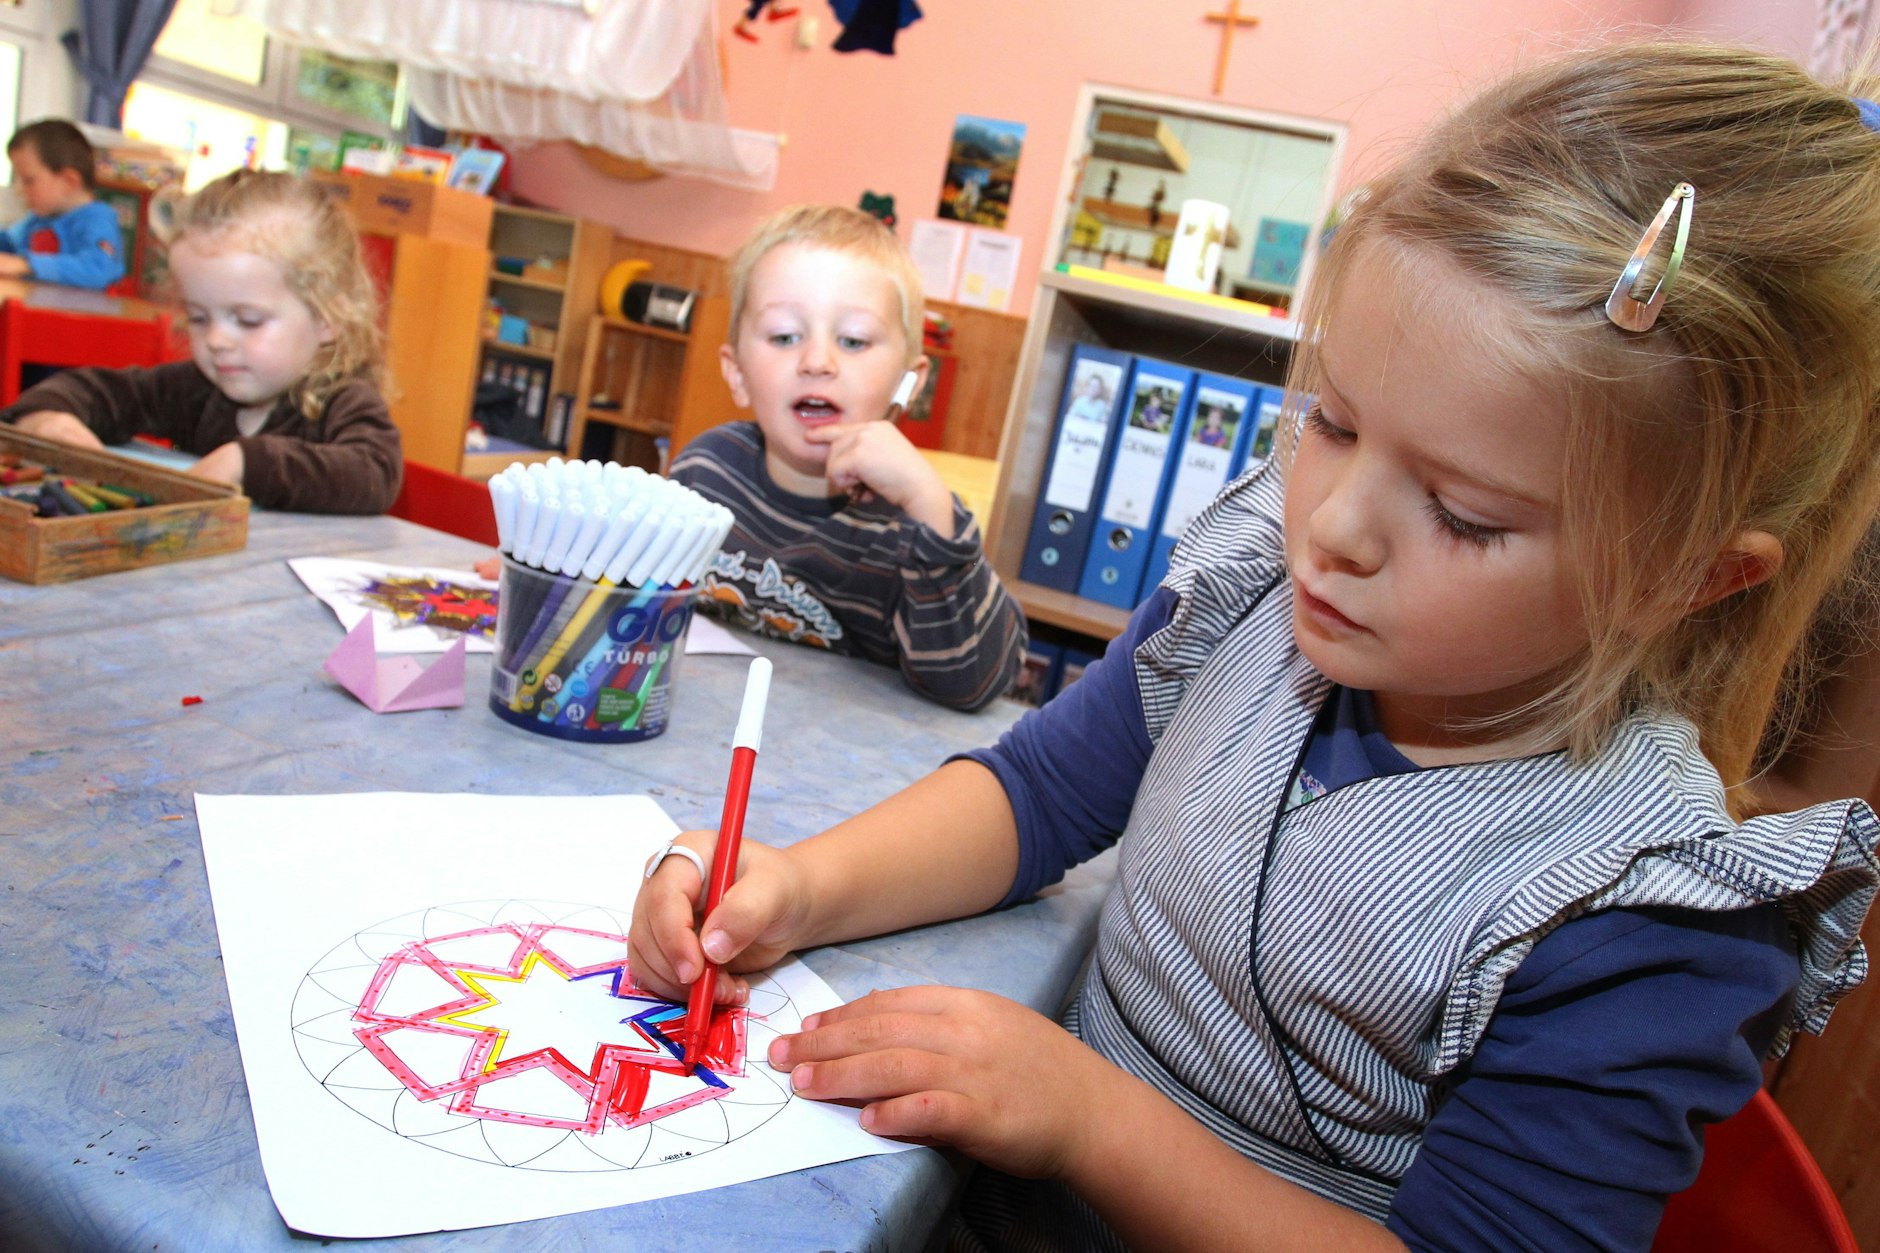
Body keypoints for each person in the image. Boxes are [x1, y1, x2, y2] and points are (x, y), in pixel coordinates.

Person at [631, 42, 1880, 1250]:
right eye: (1330, 422)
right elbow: (1038, 794)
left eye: (1461, 513)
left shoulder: (1644, 914)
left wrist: (1087, 1119)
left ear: (1683, 575)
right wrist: (801, 885)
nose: (1330, 527)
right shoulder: (1250, 603)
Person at [670, 203, 1025, 712]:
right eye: (785, 336)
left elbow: (974, 685)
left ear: (909, 383)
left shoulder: (918, 525)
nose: (817, 361)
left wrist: (929, 504)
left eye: (853, 340)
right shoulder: (705, 472)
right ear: (737, 372)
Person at [0, 169, 401, 513]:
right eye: (198, 317)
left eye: (248, 320)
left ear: (328, 317)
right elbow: (90, 391)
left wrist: (246, 462)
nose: (216, 340)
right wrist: (51, 419)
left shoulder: (342, 400)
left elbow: (375, 473)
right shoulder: (197, 389)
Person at [0, 119, 124, 289]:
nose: (19, 190)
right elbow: (9, 242)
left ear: (69, 181)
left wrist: (25, 264)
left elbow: (98, 269)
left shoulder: (98, 219)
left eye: (28, 181)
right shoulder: (37, 219)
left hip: (77, 306)